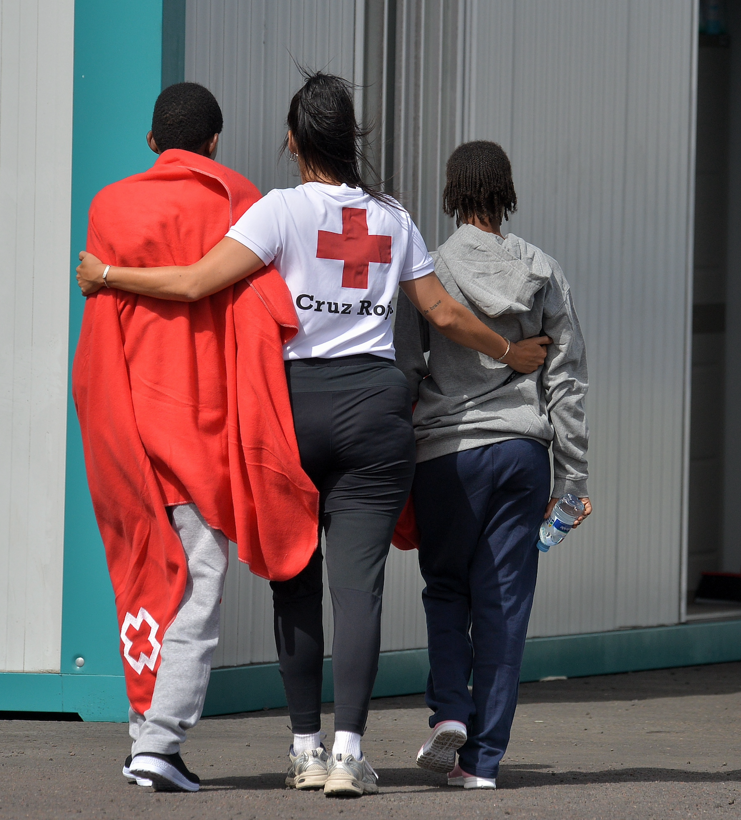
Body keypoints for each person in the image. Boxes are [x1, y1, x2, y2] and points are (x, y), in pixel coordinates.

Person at [76, 73, 550, 798]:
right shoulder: (393, 218)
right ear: (350, 138)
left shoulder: (278, 211)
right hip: (376, 411)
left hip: (291, 414)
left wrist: (108, 273)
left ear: (294, 142)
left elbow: (197, 282)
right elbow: (445, 316)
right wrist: (511, 353)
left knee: (293, 581)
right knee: (356, 591)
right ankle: (347, 754)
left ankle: (303, 746)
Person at [73, 82, 320, 794]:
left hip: (128, 417)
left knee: (146, 570)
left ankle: (142, 730)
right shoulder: (242, 200)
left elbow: (100, 325)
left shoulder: (109, 206)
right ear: (214, 143)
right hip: (205, 425)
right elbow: (268, 314)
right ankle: (159, 742)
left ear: (153, 142)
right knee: (198, 581)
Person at [394, 140, 591, 790]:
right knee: (503, 604)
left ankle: (450, 710)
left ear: (452, 192)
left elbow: (406, 369)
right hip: (521, 454)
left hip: (448, 458)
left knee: (448, 589)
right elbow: (567, 383)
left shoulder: (430, 271)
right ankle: (481, 764)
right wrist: (572, 482)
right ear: (506, 192)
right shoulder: (542, 270)